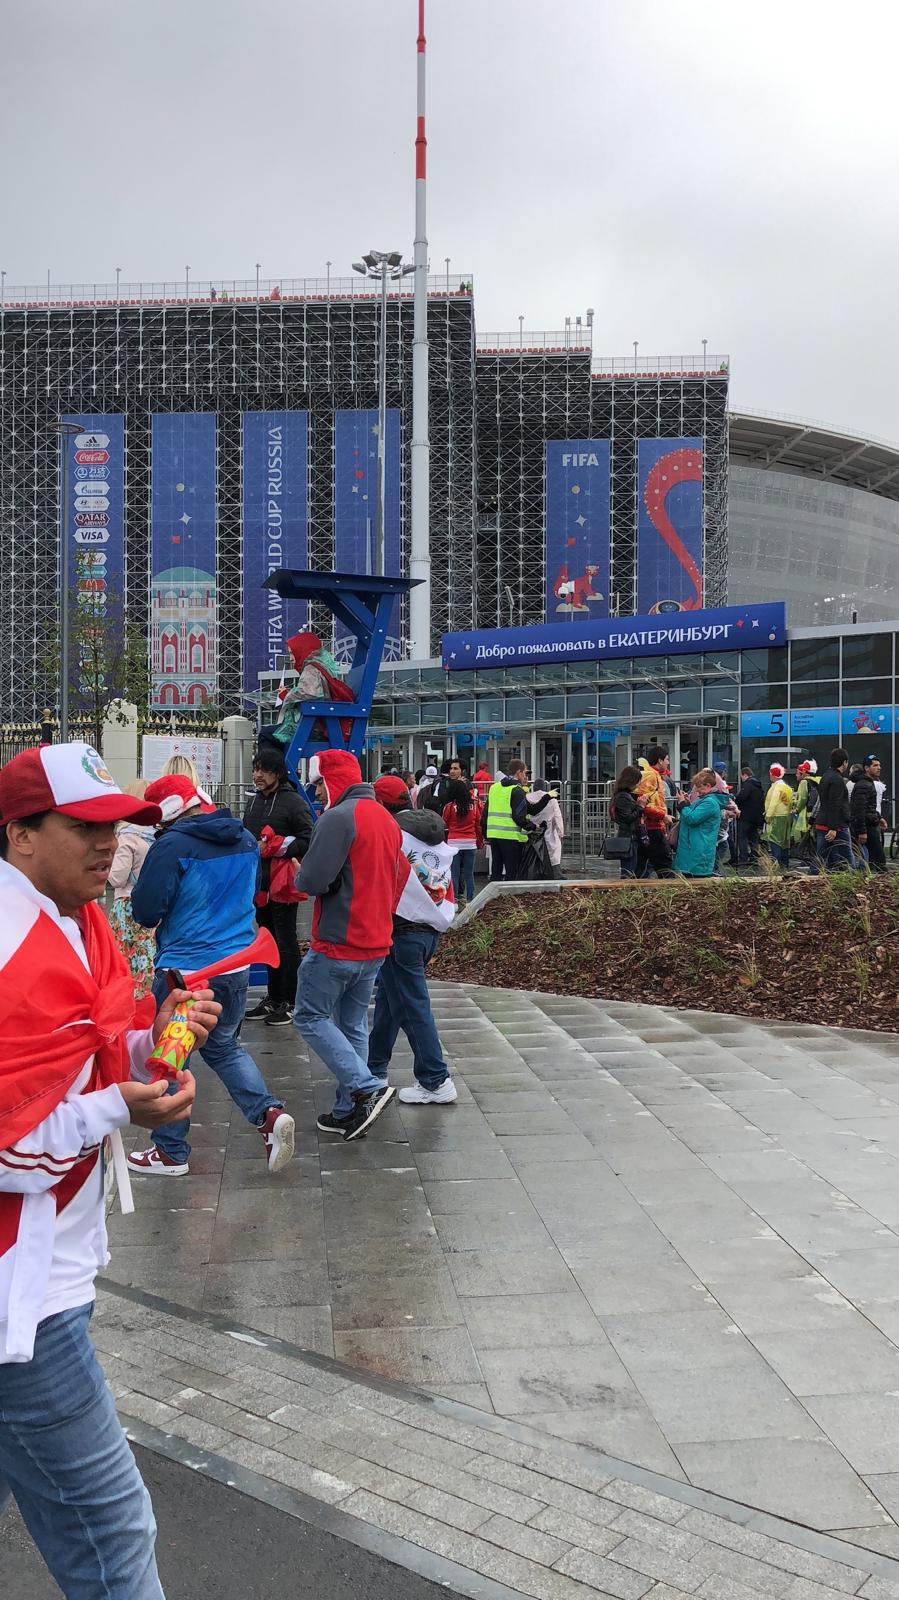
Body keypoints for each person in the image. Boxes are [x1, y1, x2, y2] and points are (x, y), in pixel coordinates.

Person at [0, 741, 220, 1598]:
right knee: (113, 1533)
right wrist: (117, 1109)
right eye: (84, 826)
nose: (109, 843)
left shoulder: (77, 914)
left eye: (116, 825)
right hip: (24, 1290)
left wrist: (155, 1037)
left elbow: (86, 1051)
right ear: (19, 835)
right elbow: (10, 1143)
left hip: (50, 1263)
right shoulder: (16, 945)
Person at [128, 775, 295, 1176]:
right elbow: (255, 890)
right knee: (222, 1048)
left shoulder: (171, 846)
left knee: (169, 1058)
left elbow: (146, 911)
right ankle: (268, 1115)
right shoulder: (242, 837)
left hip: (185, 976)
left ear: (166, 815)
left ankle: (170, 1152)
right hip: (237, 965)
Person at [292, 750, 402, 1140]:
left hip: (338, 941)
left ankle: (365, 1087)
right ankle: (347, 1109)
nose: (317, 792)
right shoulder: (385, 818)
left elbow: (311, 881)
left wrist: (299, 873)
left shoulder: (338, 818)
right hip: (376, 941)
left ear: (332, 780)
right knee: (352, 1023)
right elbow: (400, 874)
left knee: (308, 1016)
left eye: (319, 782)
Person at [366, 775, 458, 1106]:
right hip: (428, 929)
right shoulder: (430, 831)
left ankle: (435, 1080)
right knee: (391, 1003)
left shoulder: (391, 833)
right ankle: (374, 1068)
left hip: (401, 931)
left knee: (412, 1007)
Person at [242, 749, 312, 1023]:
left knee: (286, 941)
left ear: (278, 773)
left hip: (283, 885)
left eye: (264, 769)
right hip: (259, 883)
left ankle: (291, 1001)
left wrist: (277, 847)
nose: (258, 775)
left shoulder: (293, 802)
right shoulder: (254, 801)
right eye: (256, 769)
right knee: (268, 940)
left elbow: (309, 837)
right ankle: (273, 997)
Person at [264, 631, 354, 751]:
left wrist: (286, 695)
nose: (290, 658)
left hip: (317, 729)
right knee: (272, 735)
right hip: (328, 727)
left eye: (292, 653)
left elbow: (310, 693)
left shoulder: (310, 668)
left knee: (265, 734)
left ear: (301, 650)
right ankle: (276, 768)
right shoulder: (322, 666)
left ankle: (270, 769)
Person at [107, 782, 157, 998]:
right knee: (146, 959)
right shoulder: (155, 836)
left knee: (125, 961)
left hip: (126, 907)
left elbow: (117, 878)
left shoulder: (128, 837)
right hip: (149, 905)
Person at [674, 768, 732, 878]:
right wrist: (687, 803)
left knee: (696, 883)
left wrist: (682, 804)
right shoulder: (706, 800)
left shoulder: (709, 802)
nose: (697, 790)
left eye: (699, 786)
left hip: (699, 850)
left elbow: (692, 818)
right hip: (696, 848)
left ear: (709, 786)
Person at [483, 758, 530, 881]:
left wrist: (485, 834)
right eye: (525, 772)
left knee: (496, 870)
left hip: (494, 835)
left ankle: (494, 898)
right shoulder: (517, 790)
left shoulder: (494, 788)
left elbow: (485, 812)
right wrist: (532, 827)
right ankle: (510, 898)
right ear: (519, 772)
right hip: (511, 836)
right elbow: (519, 817)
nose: (525, 776)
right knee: (511, 872)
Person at [635, 747, 676, 878]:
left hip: (650, 826)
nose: (668, 762)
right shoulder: (651, 775)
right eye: (667, 759)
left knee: (642, 867)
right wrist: (663, 816)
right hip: (652, 827)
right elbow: (644, 804)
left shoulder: (652, 774)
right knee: (664, 865)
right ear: (660, 760)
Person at [443, 777, 481, 905]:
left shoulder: (449, 806)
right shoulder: (474, 806)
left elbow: (445, 823)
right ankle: (471, 900)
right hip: (470, 843)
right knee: (469, 874)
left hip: (453, 843)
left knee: (454, 873)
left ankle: (453, 901)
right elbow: (478, 825)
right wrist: (479, 841)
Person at [816, 748, 856, 871]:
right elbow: (835, 804)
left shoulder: (825, 777)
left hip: (822, 823)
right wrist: (833, 828)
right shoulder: (838, 780)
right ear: (844, 762)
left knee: (822, 860)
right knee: (847, 860)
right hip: (837, 826)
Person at [851, 754, 887, 873]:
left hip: (871, 824)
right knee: (878, 861)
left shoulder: (868, 783)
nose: (879, 768)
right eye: (875, 765)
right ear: (867, 768)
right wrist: (862, 831)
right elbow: (859, 809)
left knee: (875, 861)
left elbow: (868, 808)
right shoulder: (863, 784)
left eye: (879, 765)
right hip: (867, 827)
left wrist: (879, 817)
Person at [610, 766, 644, 879]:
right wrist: (640, 807)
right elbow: (628, 817)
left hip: (630, 835)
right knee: (628, 869)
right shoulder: (623, 797)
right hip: (628, 836)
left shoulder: (623, 795)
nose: (639, 784)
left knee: (631, 867)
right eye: (638, 781)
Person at [525, 779, 565, 877]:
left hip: (532, 832)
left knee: (534, 854)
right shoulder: (551, 799)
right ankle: (554, 874)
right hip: (549, 831)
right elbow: (557, 817)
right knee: (552, 854)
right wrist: (560, 832)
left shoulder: (526, 798)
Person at [763, 764, 794, 870]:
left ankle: (775, 862)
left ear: (774, 775)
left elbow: (773, 802)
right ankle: (785, 863)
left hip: (776, 816)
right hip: (786, 816)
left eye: (770, 774)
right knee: (785, 841)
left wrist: (768, 816)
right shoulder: (787, 787)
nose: (769, 776)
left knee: (774, 840)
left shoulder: (776, 787)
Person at [734, 765, 765, 867]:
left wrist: (735, 799)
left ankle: (743, 857)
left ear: (745, 775)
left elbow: (741, 798)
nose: (741, 779)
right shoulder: (758, 786)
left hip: (746, 816)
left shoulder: (747, 785)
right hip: (756, 817)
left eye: (741, 776)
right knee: (753, 837)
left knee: (742, 836)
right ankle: (754, 857)